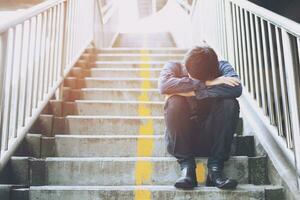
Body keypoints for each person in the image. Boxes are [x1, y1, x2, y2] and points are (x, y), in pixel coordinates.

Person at [158, 46, 242, 190]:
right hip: (183, 140)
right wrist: (206, 84)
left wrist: (193, 92)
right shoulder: (174, 67)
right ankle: (187, 169)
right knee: (174, 102)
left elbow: (236, 88)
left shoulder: (222, 66)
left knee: (230, 103)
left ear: (214, 70)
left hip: (212, 140)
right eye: (194, 79)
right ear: (187, 69)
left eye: (208, 79)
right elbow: (164, 86)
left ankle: (215, 169)